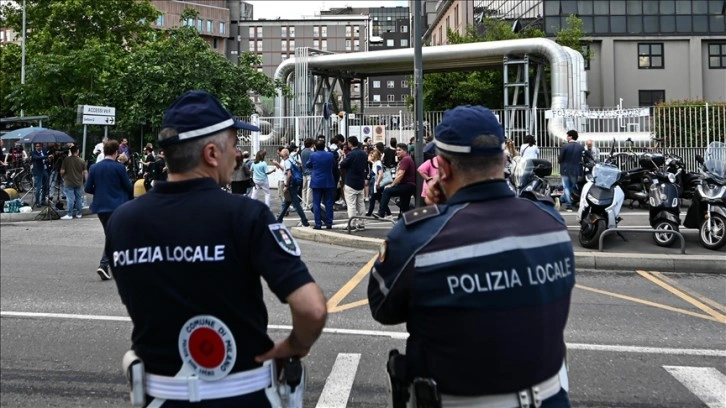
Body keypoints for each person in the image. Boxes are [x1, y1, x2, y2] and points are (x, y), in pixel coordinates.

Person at [105, 90, 327, 407]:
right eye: (235, 146)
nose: (237, 155)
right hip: (244, 396)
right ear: (211, 154)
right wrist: (294, 345)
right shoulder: (246, 216)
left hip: (160, 398)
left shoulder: (122, 221)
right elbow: (312, 308)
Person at [367, 105, 575, 408]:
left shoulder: (421, 236)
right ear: (503, 160)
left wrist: (438, 212)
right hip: (552, 398)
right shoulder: (551, 222)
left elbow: (383, 308)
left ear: (444, 168)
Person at [84, 139, 133, 281]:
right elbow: (128, 187)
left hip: (100, 207)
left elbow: (87, 188)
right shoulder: (119, 168)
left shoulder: (94, 167)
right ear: (116, 152)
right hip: (116, 206)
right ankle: (104, 264)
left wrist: (100, 192)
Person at [374, 143, 416, 220]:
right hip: (408, 186)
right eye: (396, 150)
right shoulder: (406, 159)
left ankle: (381, 213)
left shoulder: (406, 159)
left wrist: (392, 185)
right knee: (404, 207)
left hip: (407, 185)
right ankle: (403, 220)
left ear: (405, 151)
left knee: (387, 191)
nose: (397, 152)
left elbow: (400, 175)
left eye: (399, 150)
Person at [339, 136, 368, 231]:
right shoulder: (363, 153)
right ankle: (361, 223)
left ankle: (352, 224)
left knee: (351, 204)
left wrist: (343, 157)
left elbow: (343, 164)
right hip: (360, 181)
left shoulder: (351, 154)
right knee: (361, 203)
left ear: (350, 143)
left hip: (351, 181)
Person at [306, 139, 336, 230]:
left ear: (315, 147)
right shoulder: (330, 155)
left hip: (316, 181)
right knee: (329, 203)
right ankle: (329, 223)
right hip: (328, 181)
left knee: (316, 203)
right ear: (324, 146)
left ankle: (318, 224)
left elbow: (308, 165)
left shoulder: (313, 155)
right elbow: (334, 164)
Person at [276, 148, 310, 227]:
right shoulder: (291, 159)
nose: (280, 153)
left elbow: (289, 174)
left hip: (290, 185)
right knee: (286, 203)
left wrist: (286, 185)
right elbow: (299, 164)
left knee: (296, 204)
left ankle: (304, 220)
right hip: (294, 183)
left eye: (281, 152)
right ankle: (279, 220)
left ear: (284, 154)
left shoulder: (287, 162)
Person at [558, 129, 585, 212]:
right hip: (576, 169)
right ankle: (562, 199)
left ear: (571, 136)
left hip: (565, 169)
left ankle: (568, 204)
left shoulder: (565, 146)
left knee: (566, 187)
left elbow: (560, 158)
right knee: (571, 187)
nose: (567, 137)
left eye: (567, 136)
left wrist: (560, 161)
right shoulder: (580, 147)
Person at [60, 145, 87, 219]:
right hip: (78, 182)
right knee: (78, 198)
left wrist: (63, 177)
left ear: (71, 151)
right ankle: (79, 214)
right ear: (77, 151)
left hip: (68, 182)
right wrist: (86, 181)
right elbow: (85, 172)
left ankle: (69, 214)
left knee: (70, 199)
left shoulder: (66, 160)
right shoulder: (82, 161)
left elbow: (62, 171)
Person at [30, 143, 50, 207]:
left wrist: (48, 159)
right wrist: (46, 157)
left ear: (41, 146)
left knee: (45, 186)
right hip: (38, 172)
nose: (38, 147)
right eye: (36, 146)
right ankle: (37, 202)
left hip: (44, 170)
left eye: (39, 146)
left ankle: (43, 200)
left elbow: (46, 159)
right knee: (38, 187)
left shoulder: (44, 151)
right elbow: (37, 158)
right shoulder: (33, 152)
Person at [300, 138, 315, 209]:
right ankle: (308, 204)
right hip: (310, 172)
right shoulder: (312, 153)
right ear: (311, 144)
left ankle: (303, 203)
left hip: (304, 172)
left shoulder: (302, 152)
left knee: (304, 189)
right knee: (309, 189)